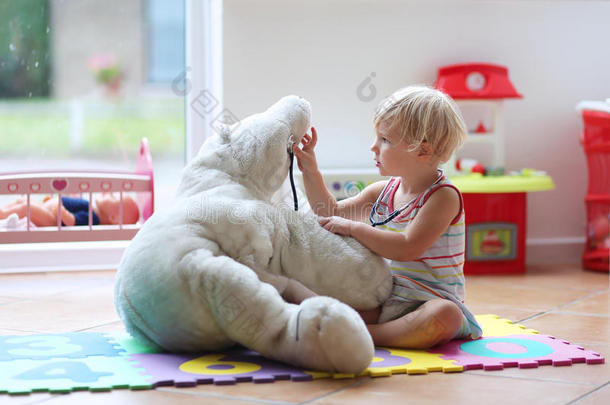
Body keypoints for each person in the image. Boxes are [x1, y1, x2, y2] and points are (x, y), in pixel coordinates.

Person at [290, 85, 482, 349]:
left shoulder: (444, 197)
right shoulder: (382, 192)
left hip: (429, 301)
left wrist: (354, 229)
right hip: (386, 299)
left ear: (422, 151)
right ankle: (318, 317)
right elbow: (330, 212)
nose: (373, 147)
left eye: (385, 140)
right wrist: (311, 170)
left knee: (445, 316)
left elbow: (407, 247)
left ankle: (367, 335)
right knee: (326, 299)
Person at [0, 193, 140, 227]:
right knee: (22, 201)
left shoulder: (92, 218)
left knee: (27, 208)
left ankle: (2, 214)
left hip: (52, 220)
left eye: (112, 196)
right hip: (49, 211)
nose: (107, 192)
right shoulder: (92, 208)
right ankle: (4, 212)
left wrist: (58, 208)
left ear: (113, 218)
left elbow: (70, 221)